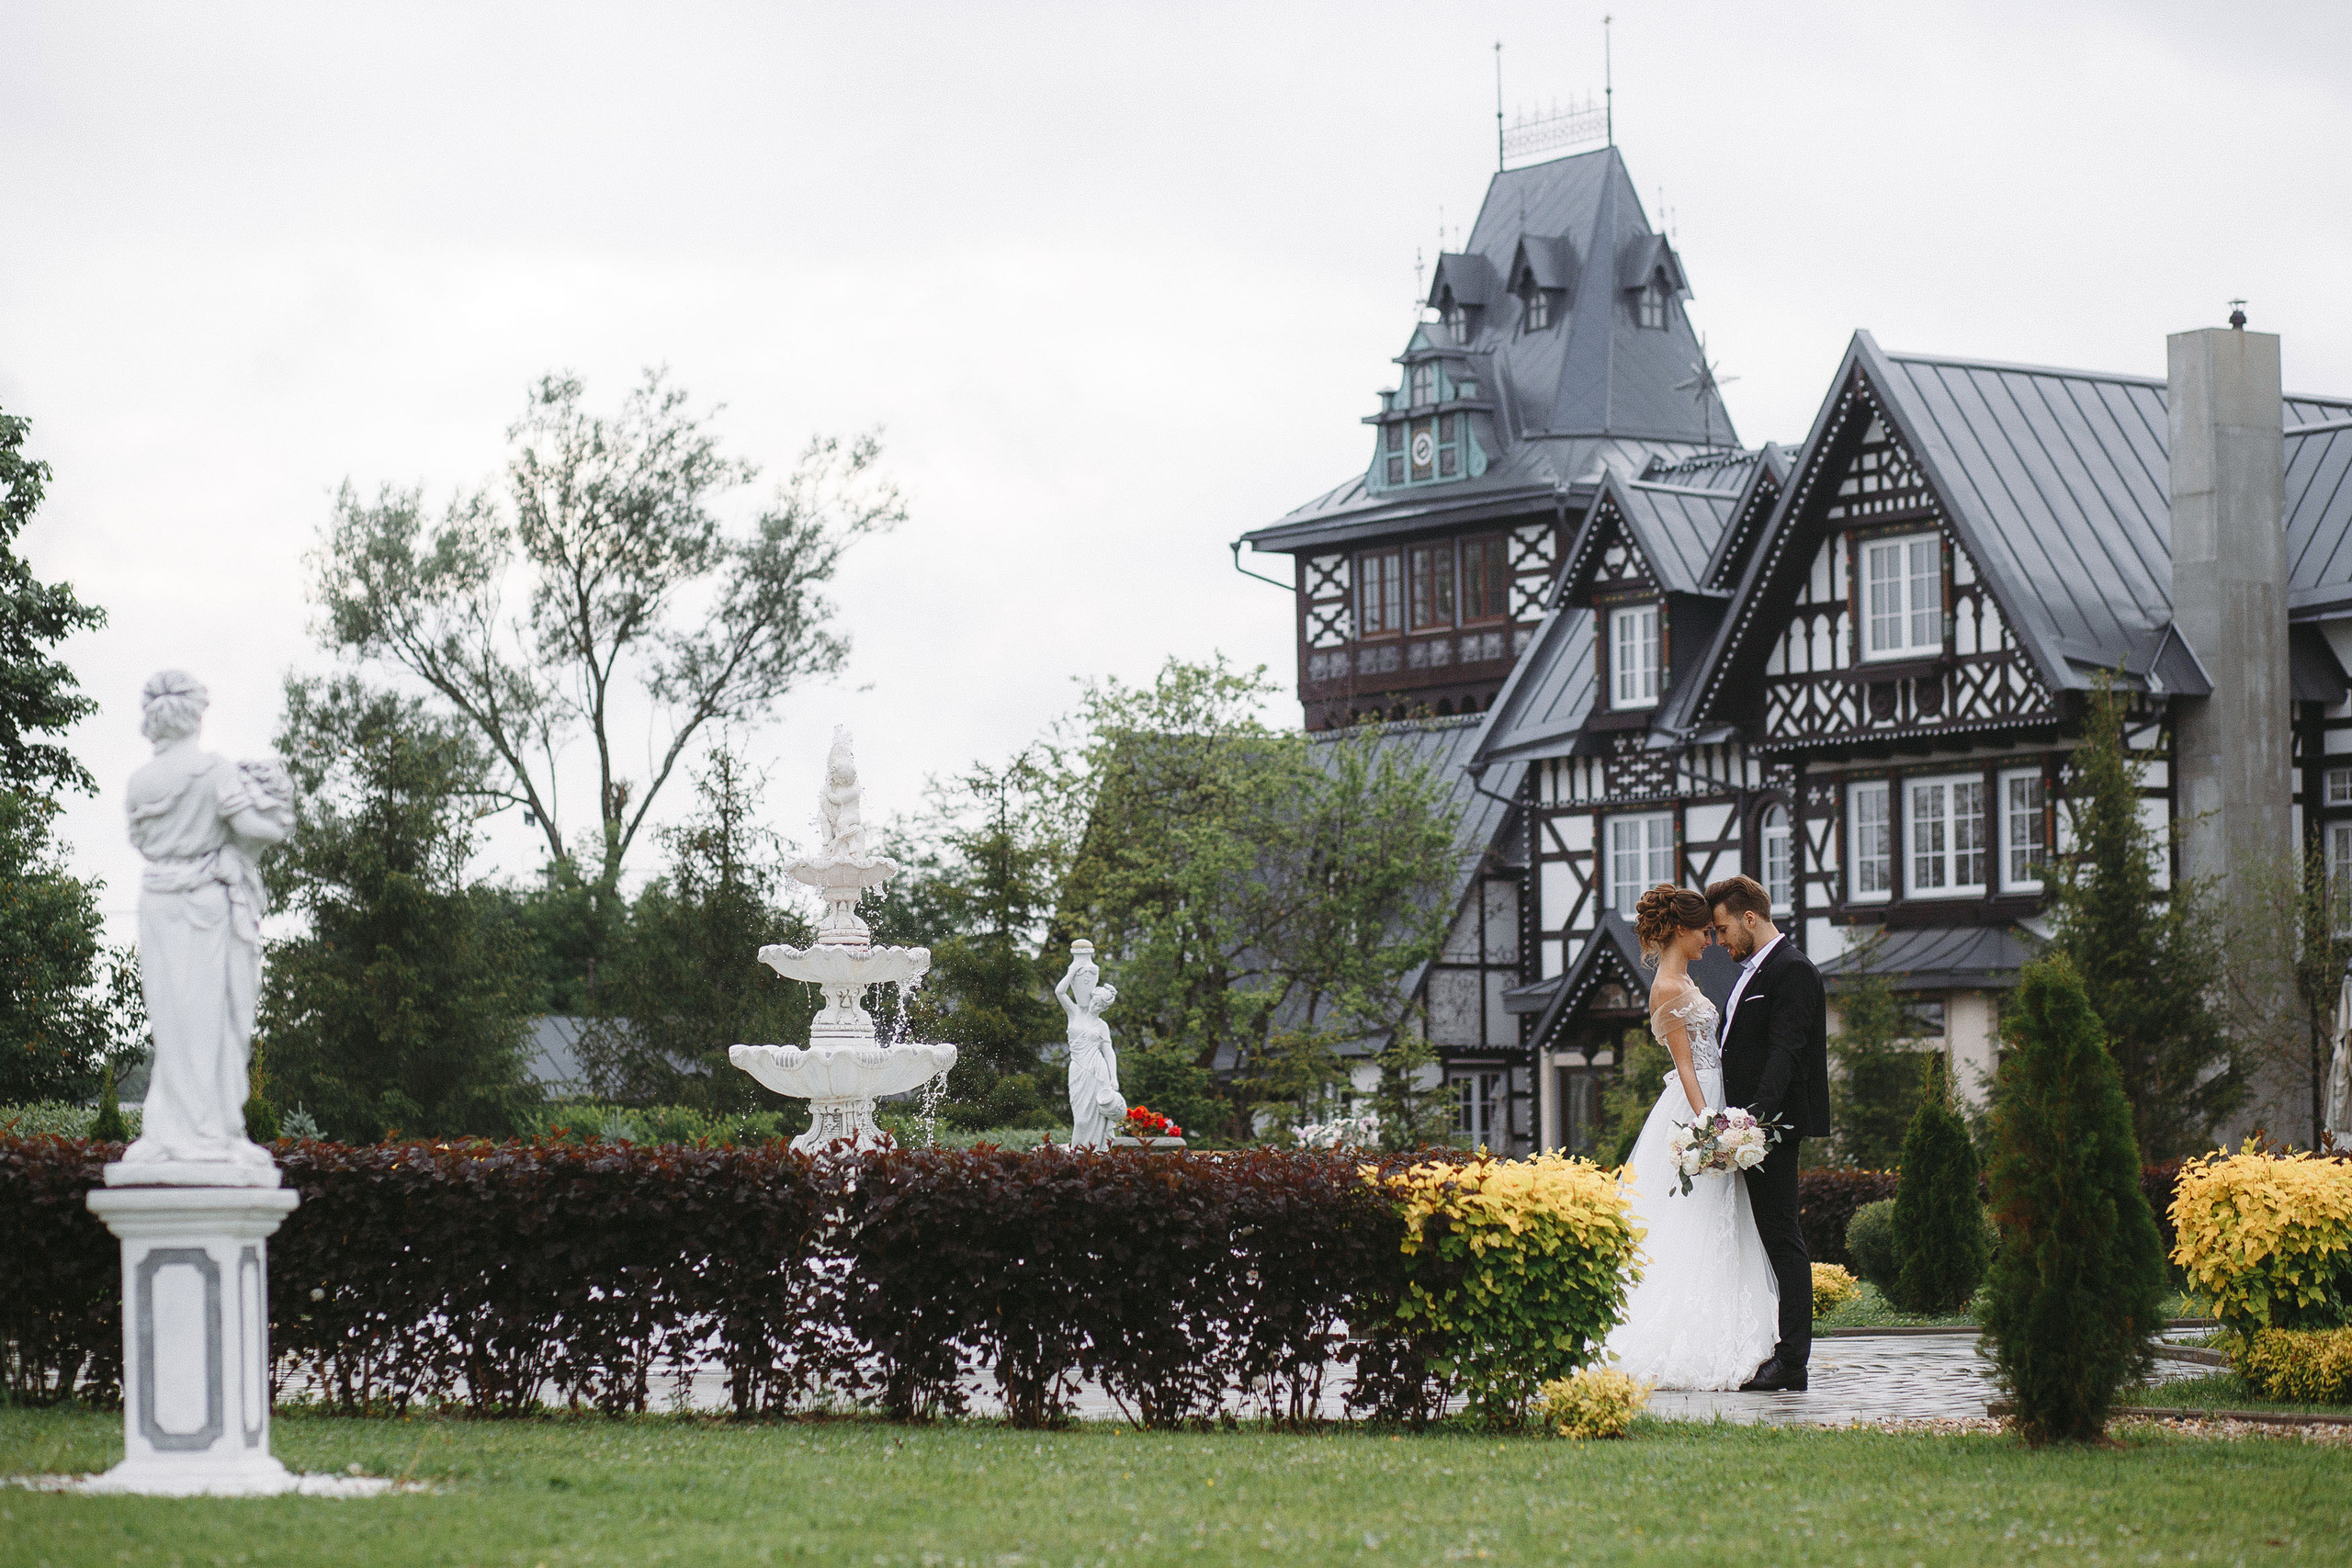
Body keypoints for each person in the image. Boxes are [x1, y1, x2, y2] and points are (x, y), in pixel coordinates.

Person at [1599, 885, 1781, 1389]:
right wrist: (1709, 1125)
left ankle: (1731, 1329)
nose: (1710, 939)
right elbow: (1684, 1065)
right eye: (1705, 931)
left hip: (1715, 1095)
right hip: (1696, 1102)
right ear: (1681, 930)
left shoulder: (1685, 980)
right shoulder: (1667, 989)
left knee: (1719, 1221)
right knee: (1693, 1220)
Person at [119, 670, 296, 1173]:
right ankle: (209, 1129)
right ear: (196, 715)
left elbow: (139, 840)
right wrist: (280, 816)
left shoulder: (140, 782)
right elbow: (250, 828)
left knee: (172, 1021)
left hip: (157, 902)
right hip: (204, 905)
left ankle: (177, 1127)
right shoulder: (213, 771)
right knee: (213, 1018)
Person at [1707, 874, 1834, 1393]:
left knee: (1784, 1240)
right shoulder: (1753, 972)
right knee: (1767, 1238)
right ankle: (1772, 1349)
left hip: (1772, 1131)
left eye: (1722, 929)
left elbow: (1786, 1051)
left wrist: (1751, 1122)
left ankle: (1793, 1362)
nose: (1719, 942)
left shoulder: (1793, 971)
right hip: (1751, 1129)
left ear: (1750, 918)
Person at [1056, 942, 1126, 1148]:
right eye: (1095, 1001)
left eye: (1101, 1005)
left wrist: (1114, 1078)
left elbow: (1109, 1052)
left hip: (1098, 1071)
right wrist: (1071, 972)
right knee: (1081, 1118)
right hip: (1078, 1068)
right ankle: (1080, 1152)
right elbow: (1060, 992)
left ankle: (1098, 1152)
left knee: (1098, 1115)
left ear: (1105, 1007)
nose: (1096, 1005)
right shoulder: (1074, 1012)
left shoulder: (1102, 1026)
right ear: (1092, 996)